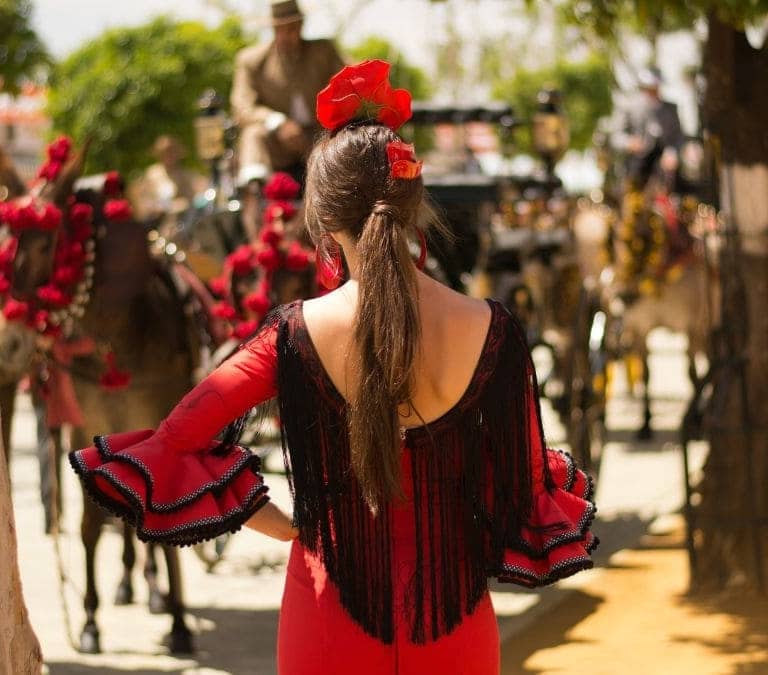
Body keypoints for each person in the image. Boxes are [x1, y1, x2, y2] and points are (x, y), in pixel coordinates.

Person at [69, 61, 597, 674]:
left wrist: (282, 526)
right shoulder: (494, 328)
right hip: (453, 620)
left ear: (321, 220)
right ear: (413, 203)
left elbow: (175, 438)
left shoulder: (291, 334)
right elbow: (526, 487)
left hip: (326, 613)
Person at [230, 0, 345, 185]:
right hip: (277, 143)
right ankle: (255, 198)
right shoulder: (251, 61)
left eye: (292, 28)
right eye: (279, 29)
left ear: (302, 25)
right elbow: (242, 107)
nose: (286, 35)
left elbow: (350, 84)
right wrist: (278, 123)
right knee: (253, 135)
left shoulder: (324, 52)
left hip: (321, 136)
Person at [612, 67, 684, 191]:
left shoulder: (670, 109)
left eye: (655, 88)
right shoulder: (628, 107)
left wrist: (672, 152)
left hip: (663, 170)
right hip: (636, 166)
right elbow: (615, 137)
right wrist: (629, 142)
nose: (653, 92)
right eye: (649, 88)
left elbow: (679, 137)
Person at [128, 135, 206, 225]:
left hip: (185, 222)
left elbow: (197, 199)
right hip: (158, 224)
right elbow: (141, 204)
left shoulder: (188, 175)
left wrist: (180, 205)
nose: (169, 155)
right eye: (165, 152)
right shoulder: (152, 174)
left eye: (172, 151)